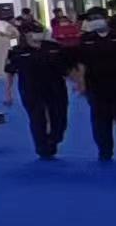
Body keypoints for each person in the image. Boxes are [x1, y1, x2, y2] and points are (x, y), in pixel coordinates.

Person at [71, 7, 116, 160]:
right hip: (96, 86)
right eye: (90, 19)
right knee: (100, 120)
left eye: (96, 18)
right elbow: (81, 63)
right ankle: (105, 150)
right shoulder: (86, 39)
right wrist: (81, 82)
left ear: (106, 19)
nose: (93, 22)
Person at [6, 18, 73, 159]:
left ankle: (55, 138)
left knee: (59, 117)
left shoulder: (54, 47)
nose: (37, 34)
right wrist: (8, 93)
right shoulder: (16, 51)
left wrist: (79, 83)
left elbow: (67, 68)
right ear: (26, 34)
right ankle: (42, 147)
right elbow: (10, 72)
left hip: (56, 87)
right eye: (33, 31)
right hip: (30, 88)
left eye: (39, 31)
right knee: (37, 117)